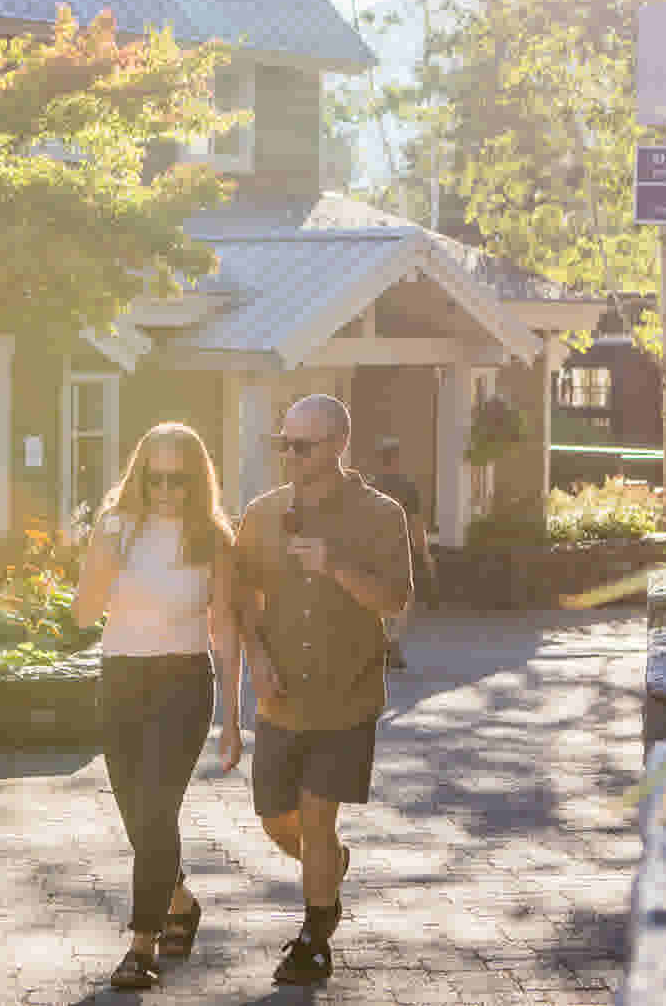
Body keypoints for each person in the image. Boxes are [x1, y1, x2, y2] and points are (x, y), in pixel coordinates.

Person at [233, 394, 413, 985]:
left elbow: (394, 601)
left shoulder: (381, 515)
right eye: (283, 443)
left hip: (346, 696)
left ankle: (314, 936)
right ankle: (330, 869)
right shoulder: (260, 514)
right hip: (278, 697)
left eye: (302, 445)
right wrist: (255, 658)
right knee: (275, 820)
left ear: (338, 445)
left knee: (315, 817)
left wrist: (332, 566)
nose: (289, 454)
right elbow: (241, 600)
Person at [73, 422, 244, 992]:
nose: (167, 491)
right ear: (139, 475)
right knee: (138, 818)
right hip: (121, 678)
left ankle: (140, 946)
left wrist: (235, 717)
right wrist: (104, 555)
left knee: (155, 810)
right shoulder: (115, 527)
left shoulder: (213, 539)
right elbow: (82, 613)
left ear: (198, 481)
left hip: (183, 683)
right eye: (156, 478)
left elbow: (224, 629)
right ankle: (179, 900)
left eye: (179, 480)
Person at [364, 437, 434, 670]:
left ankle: (382, 641)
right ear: (397, 460)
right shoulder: (407, 488)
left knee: (375, 596)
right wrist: (425, 555)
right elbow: (416, 524)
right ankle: (392, 642)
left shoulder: (369, 486)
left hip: (373, 550)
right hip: (400, 550)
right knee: (405, 596)